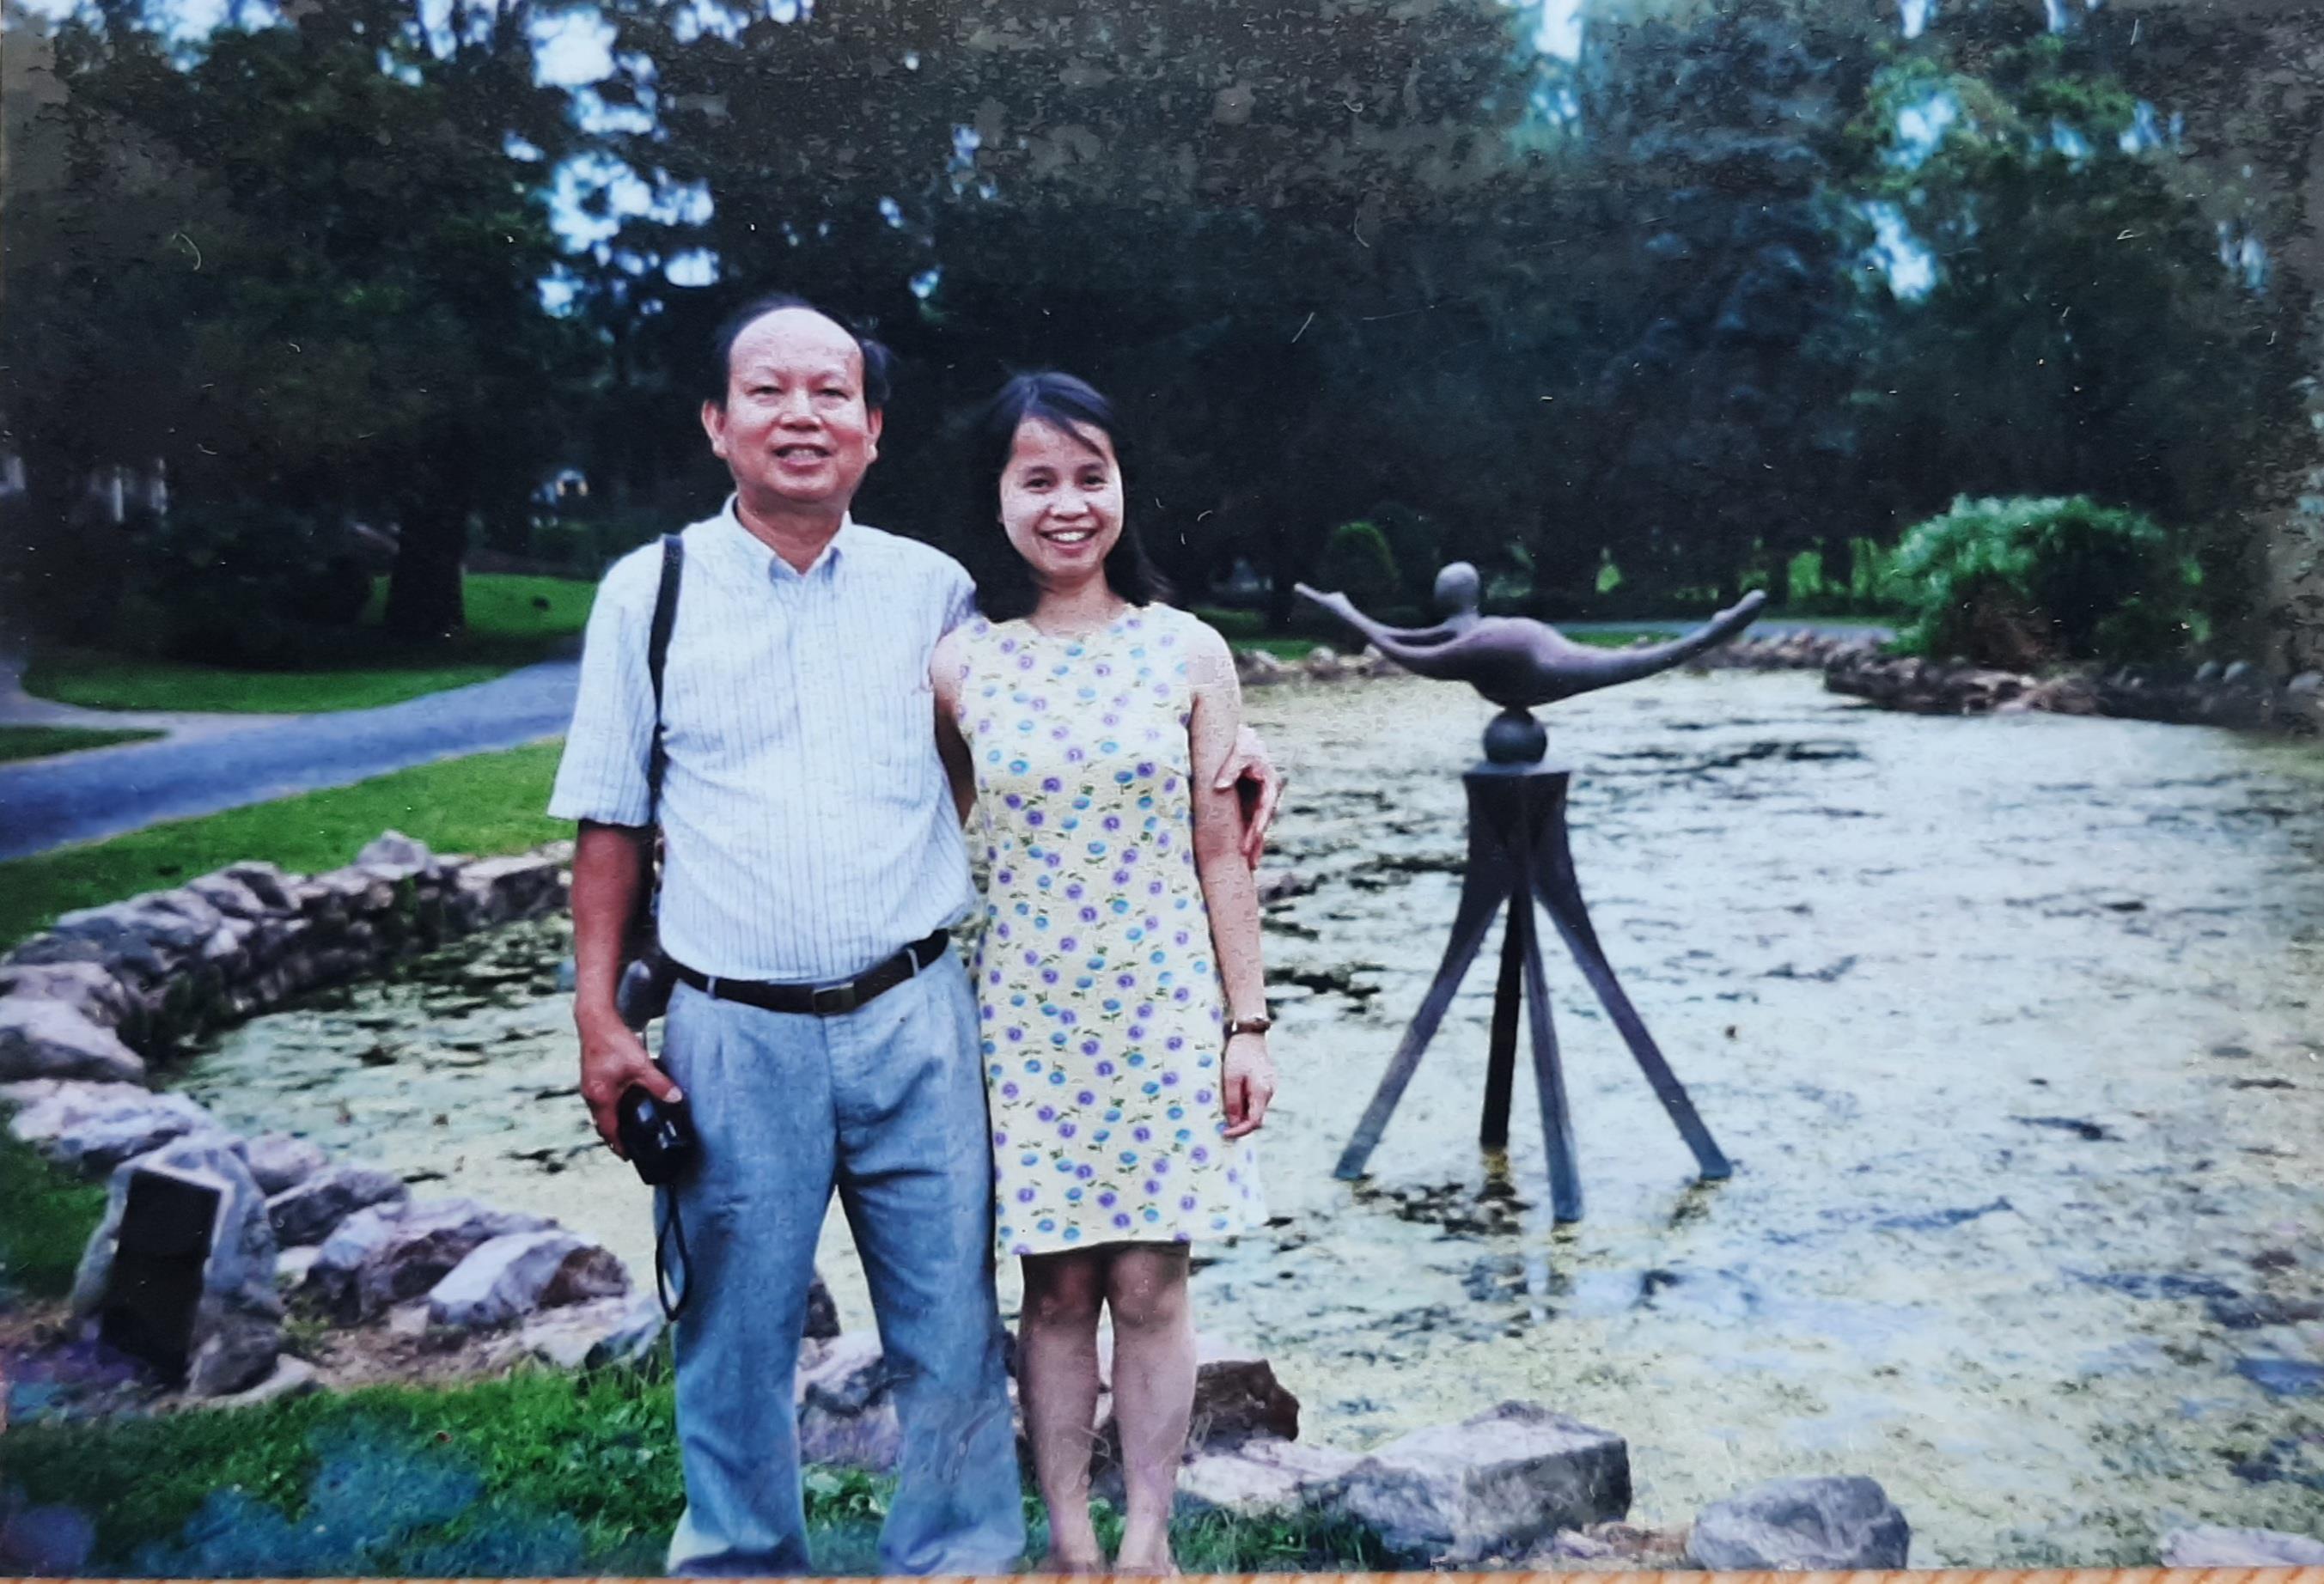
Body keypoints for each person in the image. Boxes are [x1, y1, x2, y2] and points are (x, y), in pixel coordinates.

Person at [550, 295, 1284, 1576]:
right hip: (732, 1026)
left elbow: (1067, 715)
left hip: (920, 1016)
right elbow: (608, 823)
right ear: (717, 420)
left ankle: (954, 1563)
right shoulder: (647, 594)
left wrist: (1237, 748)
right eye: (768, 391)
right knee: (733, 1329)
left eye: (832, 393)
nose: (802, 415)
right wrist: (602, 1020)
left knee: (950, 1329)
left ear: (873, 430)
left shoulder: (932, 596)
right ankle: (737, 1562)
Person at [932, 372, 1278, 1574]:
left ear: (1124, 486)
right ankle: (1069, 1543)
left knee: (1151, 1281)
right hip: (1021, 1011)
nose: (1068, 504)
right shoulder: (961, 667)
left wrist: (1248, 1022)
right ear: (999, 497)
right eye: (1039, 479)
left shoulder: (1188, 652)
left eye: (1091, 476)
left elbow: (1220, 847)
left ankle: (1145, 1540)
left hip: (1159, 1007)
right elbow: (925, 830)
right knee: (1057, 1287)